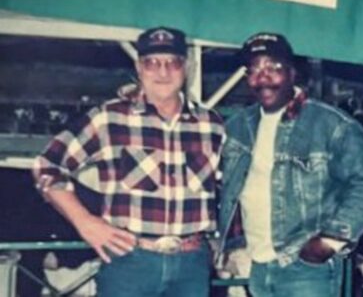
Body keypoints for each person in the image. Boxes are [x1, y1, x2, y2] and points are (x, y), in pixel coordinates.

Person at [32, 26, 225, 297]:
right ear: (139, 67)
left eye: (172, 63)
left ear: (187, 67)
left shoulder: (212, 124)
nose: (163, 71)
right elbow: (47, 166)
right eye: (152, 63)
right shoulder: (108, 118)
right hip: (129, 261)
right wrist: (85, 222)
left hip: (191, 265)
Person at [218, 32, 363, 297]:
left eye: (273, 68)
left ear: (292, 72)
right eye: (254, 70)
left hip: (307, 270)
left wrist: (330, 241)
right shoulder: (237, 128)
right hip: (258, 266)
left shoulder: (331, 125)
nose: (263, 77)